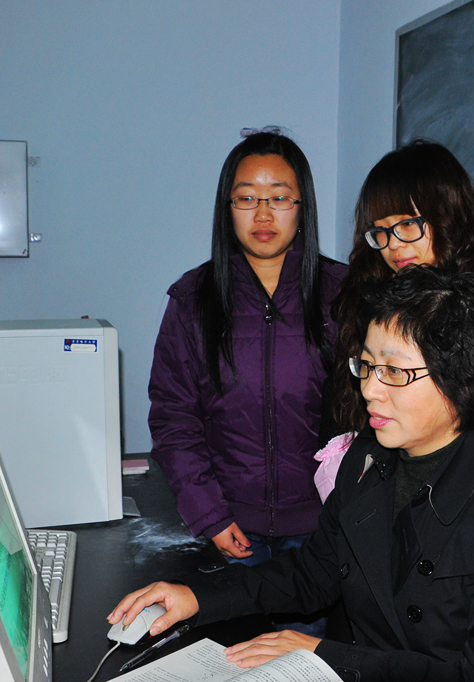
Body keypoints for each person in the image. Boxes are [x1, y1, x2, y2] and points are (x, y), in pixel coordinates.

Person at [112, 266, 474, 682]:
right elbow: (312, 573)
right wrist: (199, 597)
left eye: (395, 372)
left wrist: (326, 655)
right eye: (366, 365)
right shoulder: (369, 459)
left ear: (462, 379)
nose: (370, 390)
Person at [147, 129, 346, 633]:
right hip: (230, 530)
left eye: (279, 198)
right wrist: (208, 514)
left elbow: (370, 415)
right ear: (227, 206)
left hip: (322, 536)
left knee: (301, 662)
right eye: (247, 198)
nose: (263, 215)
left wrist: (346, 514)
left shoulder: (344, 294)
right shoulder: (193, 299)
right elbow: (174, 417)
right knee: (231, 658)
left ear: (302, 206)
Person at [325, 140, 474, 472]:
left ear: (448, 215)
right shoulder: (375, 294)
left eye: (407, 224)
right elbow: (343, 407)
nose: (393, 245)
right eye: (381, 231)